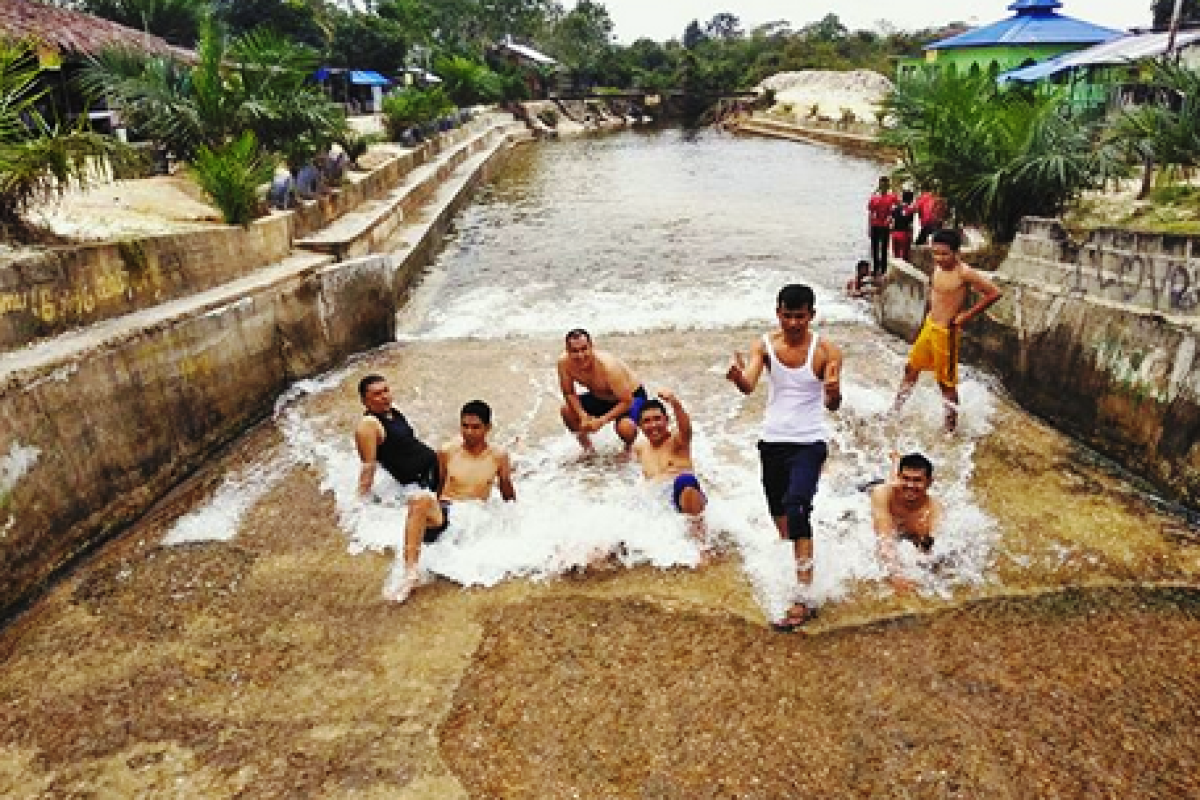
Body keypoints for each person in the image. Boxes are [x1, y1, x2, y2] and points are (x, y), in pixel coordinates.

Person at [726, 284, 842, 632]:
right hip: (772, 442)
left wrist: (834, 392)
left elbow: (832, 405)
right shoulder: (764, 345)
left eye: (800, 316)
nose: (793, 322)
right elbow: (749, 385)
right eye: (787, 315)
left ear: (812, 315)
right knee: (780, 516)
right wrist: (737, 378)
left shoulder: (826, 350)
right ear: (778, 313)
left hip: (809, 442)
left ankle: (803, 597)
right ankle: (797, 559)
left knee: (797, 507)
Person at [383, 399, 516, 603]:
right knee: (419, 499)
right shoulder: (447, 451)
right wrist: (427, 510)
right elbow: (439, 485)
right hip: (445, 511)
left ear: (488, 428)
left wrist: (514, 521)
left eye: (475, 427)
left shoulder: (498, 456)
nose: (469, 432)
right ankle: (411, 573)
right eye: (465, 426)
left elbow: (507, 490)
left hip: (473, 516)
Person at [891, 228, 1002, 433]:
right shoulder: (937, 267)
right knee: (911, 369)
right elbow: (935, 296)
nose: (939, 258)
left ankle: (949, 429)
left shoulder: (964, 272)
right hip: (929, 326)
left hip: (946, 333)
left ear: (956, 252)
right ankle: (895, 411)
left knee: (946, 383)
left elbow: (994, 293)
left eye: (944, 254)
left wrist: (965, 316)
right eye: (936, 253)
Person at [633, 390, 709, 553]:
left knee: (685, 482)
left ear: (666, 420)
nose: (653, 425)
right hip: (658, 503)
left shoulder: (677, 441)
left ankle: (702, 546)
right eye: (646, 421)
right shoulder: (640, 448)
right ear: (640, 426)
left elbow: (685, 428)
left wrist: (675, 403)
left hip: (685, 498)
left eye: (657, 419)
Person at [558, 328, 648, 452]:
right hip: (600, 397)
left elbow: (627, 401)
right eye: (574, 351)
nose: (580, 355)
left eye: (584, 349)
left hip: (631, 397)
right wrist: (583, 416)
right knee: (567, 411)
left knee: (625, 428)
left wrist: (601, 421)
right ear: (567, 351)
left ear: (592, 347)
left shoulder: (608, 366)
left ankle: (628, 451)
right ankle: (588, 450)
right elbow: (569, 393)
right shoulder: (564, 363)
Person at [355, 374, 439, 497]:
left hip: (432, 468)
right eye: (377, 394)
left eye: (386, 391)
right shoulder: (368, 425)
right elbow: (368, 465)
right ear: (365, 401)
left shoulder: (392, 412)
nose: (385, 396)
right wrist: (359, 503)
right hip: (421, 482)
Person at [870, 452, 941, 592]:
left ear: (929, 482)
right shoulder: (882, 493)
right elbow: (884, 538)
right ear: (899, 477)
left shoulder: (933, 512)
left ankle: (897, 461)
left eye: (917, 480)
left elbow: (932, 550)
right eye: (906, 478)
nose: (910, 485)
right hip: (883, 497)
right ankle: (896, 460)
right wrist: (896, 575)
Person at [867, 175, 898, 278]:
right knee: (874, 248)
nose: (883, 186)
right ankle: (875, 268)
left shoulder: (892, 197)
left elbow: (894, 212)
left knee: (884, 248)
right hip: (875, 225)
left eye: (885, 184)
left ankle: (883, 269)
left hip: (885, 226)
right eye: (881, 184)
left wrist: (891, 222)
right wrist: (869, 227)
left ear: (887, 185)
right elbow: (870, 213)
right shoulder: (874, 197)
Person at [890, 190, 916, 263]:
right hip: (905, 235)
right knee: (905, 259)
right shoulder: (910, 210)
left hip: (895, 234)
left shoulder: (895, 208)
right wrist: (912, 237)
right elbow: (910, 225)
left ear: (902, 198)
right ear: (910, 199)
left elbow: (891, 222)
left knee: (896, 257)